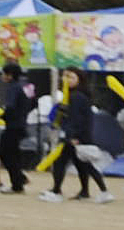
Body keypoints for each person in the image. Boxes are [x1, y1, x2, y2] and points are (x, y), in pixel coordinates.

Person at [39, 70, 110, 202]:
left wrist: (72, 136)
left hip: (76, 136)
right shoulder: (74, 96)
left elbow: (77, 119)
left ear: (79, 79)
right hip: (80, 135)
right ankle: (91, 191)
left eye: (71, 77)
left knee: (61, 162)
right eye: (65, 77)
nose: (67, 79)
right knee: (82, 164)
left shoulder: (76, 96)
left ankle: (56, 192)